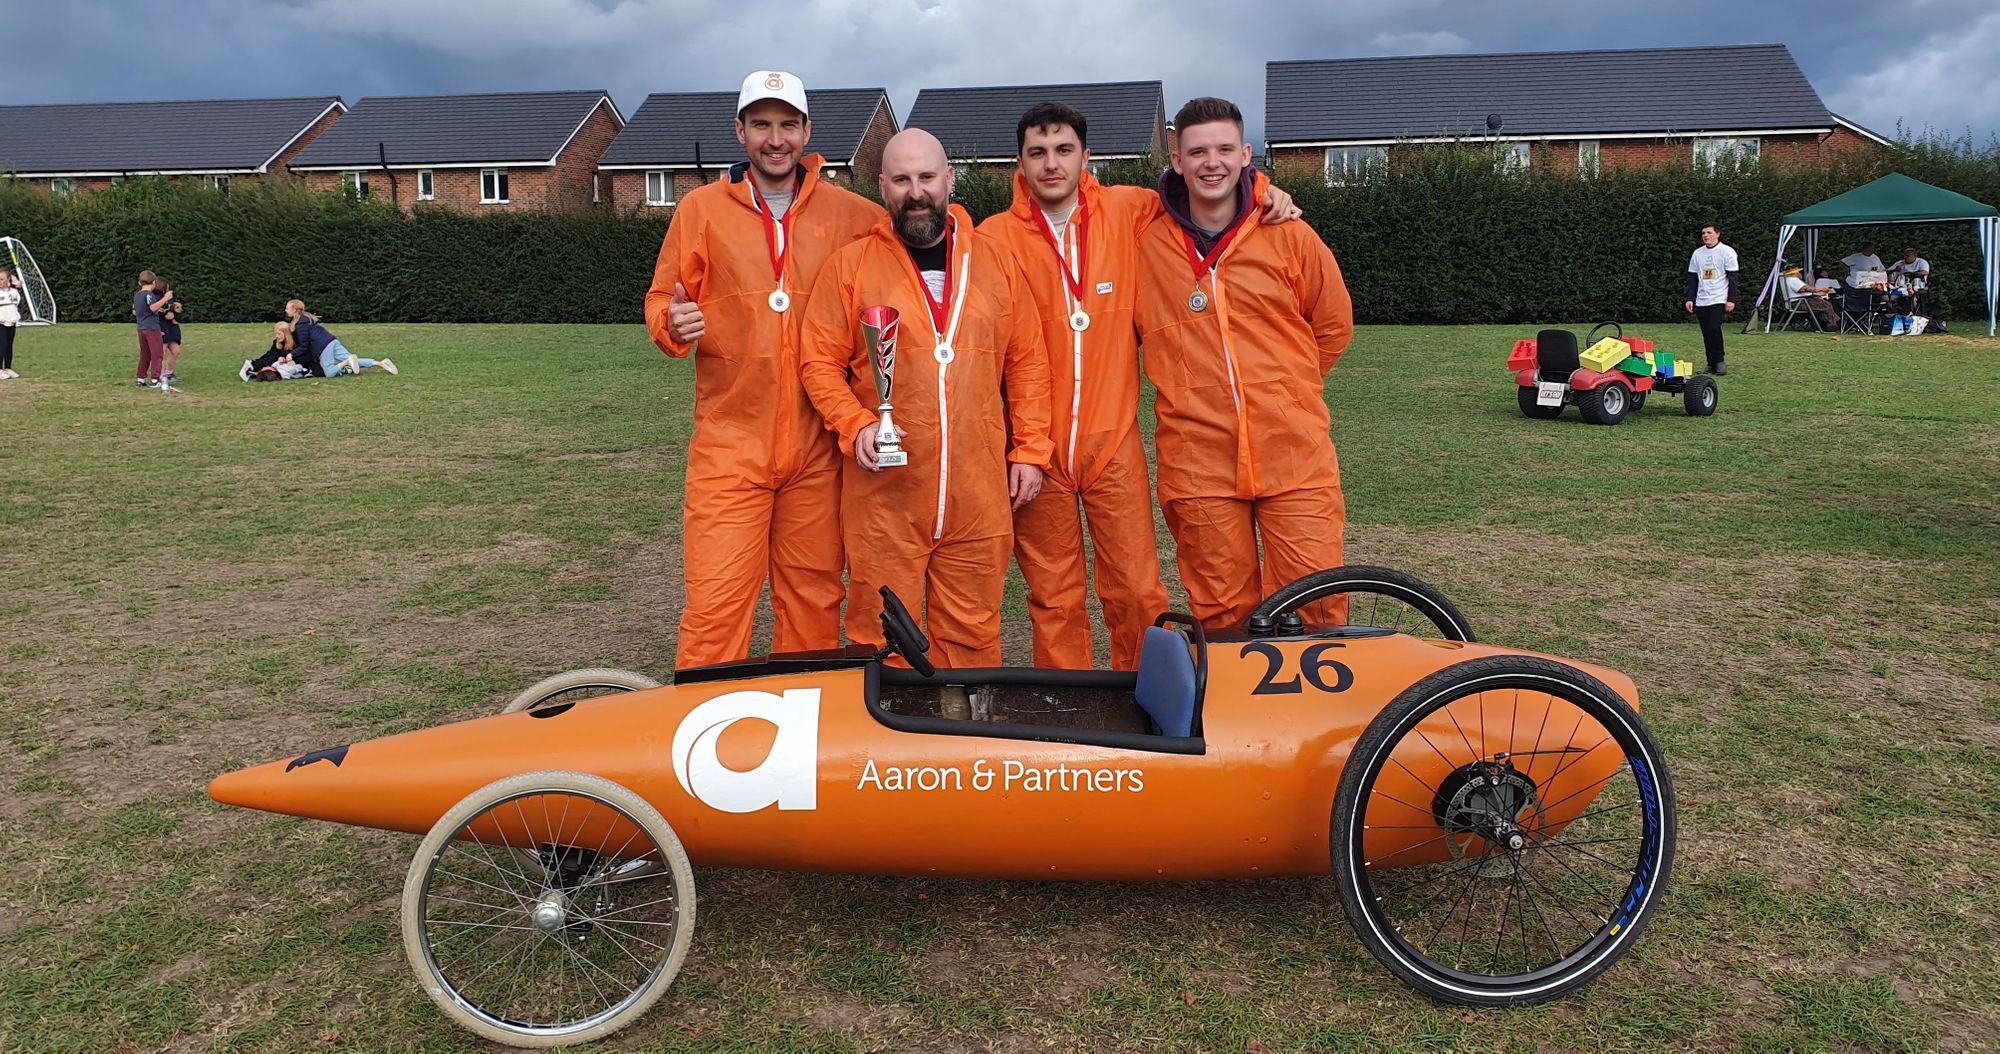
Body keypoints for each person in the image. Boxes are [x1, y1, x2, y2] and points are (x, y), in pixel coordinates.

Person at [976, 102, 1298, 670]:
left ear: (1086, 157)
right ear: (1019, 165)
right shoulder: (992, 238)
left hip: (1113, 442)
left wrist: (1266, 189)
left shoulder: (1130, 210)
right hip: (1032, 450)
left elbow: (1210, 195)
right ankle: (1065, 704)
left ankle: (1140, 697)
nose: (1052, 164)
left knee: (1136, 587)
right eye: (1038, 153)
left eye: (1064, 150)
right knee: (1054, 595)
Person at [644, 70, 886, 670]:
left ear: (807, 131)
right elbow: (661, 299)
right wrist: (672, 328)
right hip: (730, 447)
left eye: (786, 125)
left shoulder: (854, 214)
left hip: (818, 451)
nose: (774, 139)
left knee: (812, 604)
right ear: (740, 131)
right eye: (760, 125)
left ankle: (796, 745)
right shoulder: (700, 210)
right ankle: (697, 744)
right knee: (716, 607)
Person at [799, 128, 1054, 667]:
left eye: (926, 177)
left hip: (977, 491)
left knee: (974, 635)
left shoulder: (997, 262)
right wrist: (857, 422)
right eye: (901, 180)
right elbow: (818, 362)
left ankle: (962, 747)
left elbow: (1027, 362)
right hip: (886, 496)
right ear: (883, 187)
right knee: (879, 635)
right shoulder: (852, 266)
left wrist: (1030, 449)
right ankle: (883, 749)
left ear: (949, 180)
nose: (916, 192)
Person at [1133, 97, 1354, 632]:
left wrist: (1287, 393)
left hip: (1294, 454)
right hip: (1198, 464)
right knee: (1221, 611)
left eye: (1225, 148)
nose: (1213, 162)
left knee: (1318, 601)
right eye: (1198, 150)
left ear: (1246, 154)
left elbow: (1333, 325)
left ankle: (1330, 715)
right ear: (1177, 159)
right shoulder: (1142, 242)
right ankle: (1241, 715)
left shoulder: (1289, 234)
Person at [284, 300, 397, 377]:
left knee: (329, 372)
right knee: (353, 362)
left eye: (287, 308)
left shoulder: (300, 324)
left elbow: (304, 345)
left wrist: (292, 354)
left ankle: (347, 361)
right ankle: (381, 363)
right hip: (331, 341)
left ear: (294, 310)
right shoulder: (307, 318)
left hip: (323, 347)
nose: (285, 310)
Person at [1683, 223, 1737, 375]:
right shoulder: (1697, 254)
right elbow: (1693, 278)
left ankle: (1720, 361)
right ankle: (1710, 363)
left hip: (1719, 298)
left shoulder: (1727, 252)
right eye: (1703, 233)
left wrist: (1731, 299)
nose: (1706, 236)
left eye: (1709, 232)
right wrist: (1690, 298)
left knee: (1714, 328)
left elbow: (1733, 278)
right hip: (1702, 299)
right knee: (1706, 331)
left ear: (1717, 234)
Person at [242, 321, 319, 380]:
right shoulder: (278, 342)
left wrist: (293, 361)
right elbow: (270, 354)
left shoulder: (297, 342)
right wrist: (258, 361)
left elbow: (308, 356)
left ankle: (260, 372)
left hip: (299, 364)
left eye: (279, 334)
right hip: (282, 364)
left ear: (286, 334)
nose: (277, 336)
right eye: (276, 334)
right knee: (271, 359)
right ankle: (253, 367)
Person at [133, 270, 171, 388]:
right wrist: (166, 298)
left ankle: (141, 378)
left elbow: (136, 311)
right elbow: (152, 307)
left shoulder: (137, 295)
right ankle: (155, 379)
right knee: (157, 354)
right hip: (152, 328)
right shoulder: (149, 295)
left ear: (140, 283)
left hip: (141, 328)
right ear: (154, 282)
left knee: (145, 354)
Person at [1780, 265, 1836, 330]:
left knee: (1820, 303)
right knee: (1826, 305)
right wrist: (1821, 289)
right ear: (1796, 273)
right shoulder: (1793, 280)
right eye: (1800, 272)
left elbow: (1801, 291)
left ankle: (1821, 327)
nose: (1801, 274)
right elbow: (1804, 289)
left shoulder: (1787, 280)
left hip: (1795, 302)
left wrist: (1816, 294)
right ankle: (1832, 324)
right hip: (1799, 303)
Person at [157, 279, 185, 392]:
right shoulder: (155, 299)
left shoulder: (170, 300)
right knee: (162, 352)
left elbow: (177, 312)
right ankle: (160, 375)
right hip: (161, 328)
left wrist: (173, 316)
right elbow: (153, 313)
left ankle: (169, 373)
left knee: (176, 351)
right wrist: (164, 315)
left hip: (172, 329)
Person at [0, 267, 21, 380]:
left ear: (8, 279)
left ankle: (7, 367)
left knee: (9, 345)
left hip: (11, 322)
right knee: (1, 345)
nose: (0, 282)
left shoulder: (14, 292)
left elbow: (18, 305)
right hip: (1, 322)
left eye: (2, 279)